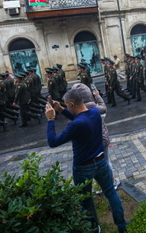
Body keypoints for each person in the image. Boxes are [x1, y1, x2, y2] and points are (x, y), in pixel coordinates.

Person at [45, 89, 127, 233]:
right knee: (111, 194)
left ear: (71, 104)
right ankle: (122, 227)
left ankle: (95, 229)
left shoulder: (75, 126)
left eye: (66, 105)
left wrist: (51, 119)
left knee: (86, 201)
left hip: (83, 168)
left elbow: (52, 141)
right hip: (101, 161)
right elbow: (79, 119)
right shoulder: (94, 112)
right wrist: (62, 110)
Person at [71, 83, 121, 190]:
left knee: (96, 164)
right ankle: (111, 183)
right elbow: (103, 108)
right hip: (102, 139)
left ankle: (103, 185)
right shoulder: (95, 107)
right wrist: (97, 96)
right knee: (106, 162)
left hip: (90, 143)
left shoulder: (77, 110)